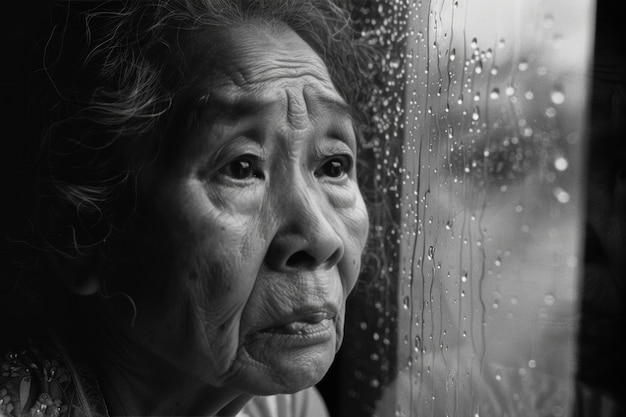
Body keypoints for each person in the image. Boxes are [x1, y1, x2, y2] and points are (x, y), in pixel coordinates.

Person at [0, 1, 372, 416]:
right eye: (241, 167)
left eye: (333, 166)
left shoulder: (286, 408)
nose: (323, 238)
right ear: (82, 229)